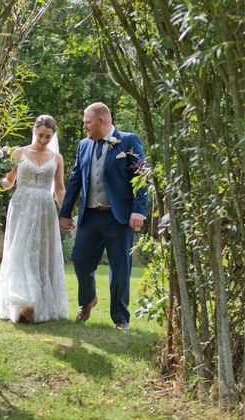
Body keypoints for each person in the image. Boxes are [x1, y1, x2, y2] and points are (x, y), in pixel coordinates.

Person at [59, 102, 148, 331]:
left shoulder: (128, 140)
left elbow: (140, 176)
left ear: (102, 121)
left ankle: (120, 318)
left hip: (118, 218)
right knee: (80, 260)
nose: (84, 126)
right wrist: (65, 213)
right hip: (90, 216)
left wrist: (139, 210)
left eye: (87, 122)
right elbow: (75, 179)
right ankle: (87, 301)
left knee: (120, 268)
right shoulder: (83, 145)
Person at [0, 115, 69, 324]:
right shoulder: (19, 153)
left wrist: (65, 213)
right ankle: (20, 301)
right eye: (40, 135)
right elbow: (9, 181)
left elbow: (59, 190)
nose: (43, 140)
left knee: (40, 254)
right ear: (34, 131)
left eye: (48, 137)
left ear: (53, 136)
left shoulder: (56, 158)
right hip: (21, 206)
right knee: (19, 250)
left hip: (45, 208)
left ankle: (36, 302)